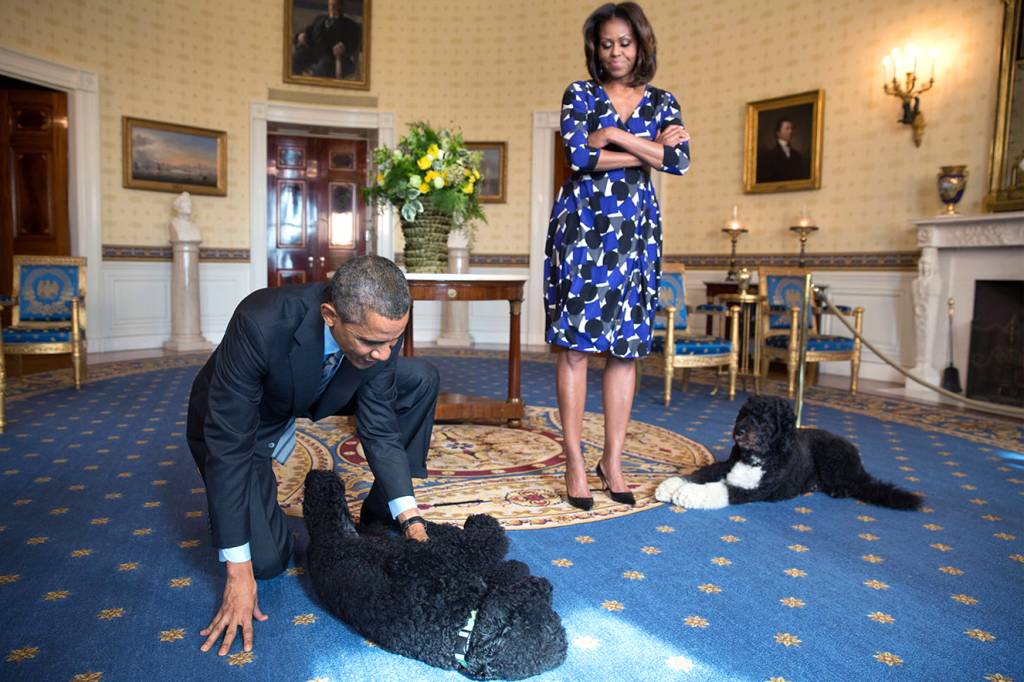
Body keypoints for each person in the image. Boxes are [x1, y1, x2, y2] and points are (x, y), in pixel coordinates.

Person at [187, 255, 439, 656]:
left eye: (394, 341)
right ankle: (235, 512)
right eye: (372, 342)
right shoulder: (260, 322)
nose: (386, 354)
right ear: (329, 315)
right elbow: (228, 445)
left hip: (319, 385)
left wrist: (411, 520)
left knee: (421, 377)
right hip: (246, 421)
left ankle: (380, 517)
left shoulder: (377, 339)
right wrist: (237, 571)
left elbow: (379, 427)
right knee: (265, 563)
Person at [544, 2, 690, 511]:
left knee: (624, 350)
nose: (615, 53)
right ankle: (575, 463)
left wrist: (613, 136)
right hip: (582, 231)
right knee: (576, 349)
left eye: (624, 43)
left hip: (636, 235)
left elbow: (680, 162)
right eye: (606, 44)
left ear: (641, 44)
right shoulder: (580, 93)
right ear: (596, 48)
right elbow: (579, 156)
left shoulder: (664, 99)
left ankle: (614, 460)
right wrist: (649, 147)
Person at [291, 0, 363, 79]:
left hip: (331, 56)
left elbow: (354, 42)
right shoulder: (320, 18)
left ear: (341, 6)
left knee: (322, 67)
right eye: (330, 5)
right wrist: (300, 36)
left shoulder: (349, 24)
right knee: (295, 58)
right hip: (314, 52)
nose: (332, 7)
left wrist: (344, 46)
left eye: (335, 5)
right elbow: (309, 32)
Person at [756, 118, 809, 183]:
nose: (790, 131)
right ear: (778, 133)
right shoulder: (769, 156)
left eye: (791, 129)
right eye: (787, 128)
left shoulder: (797, 155)